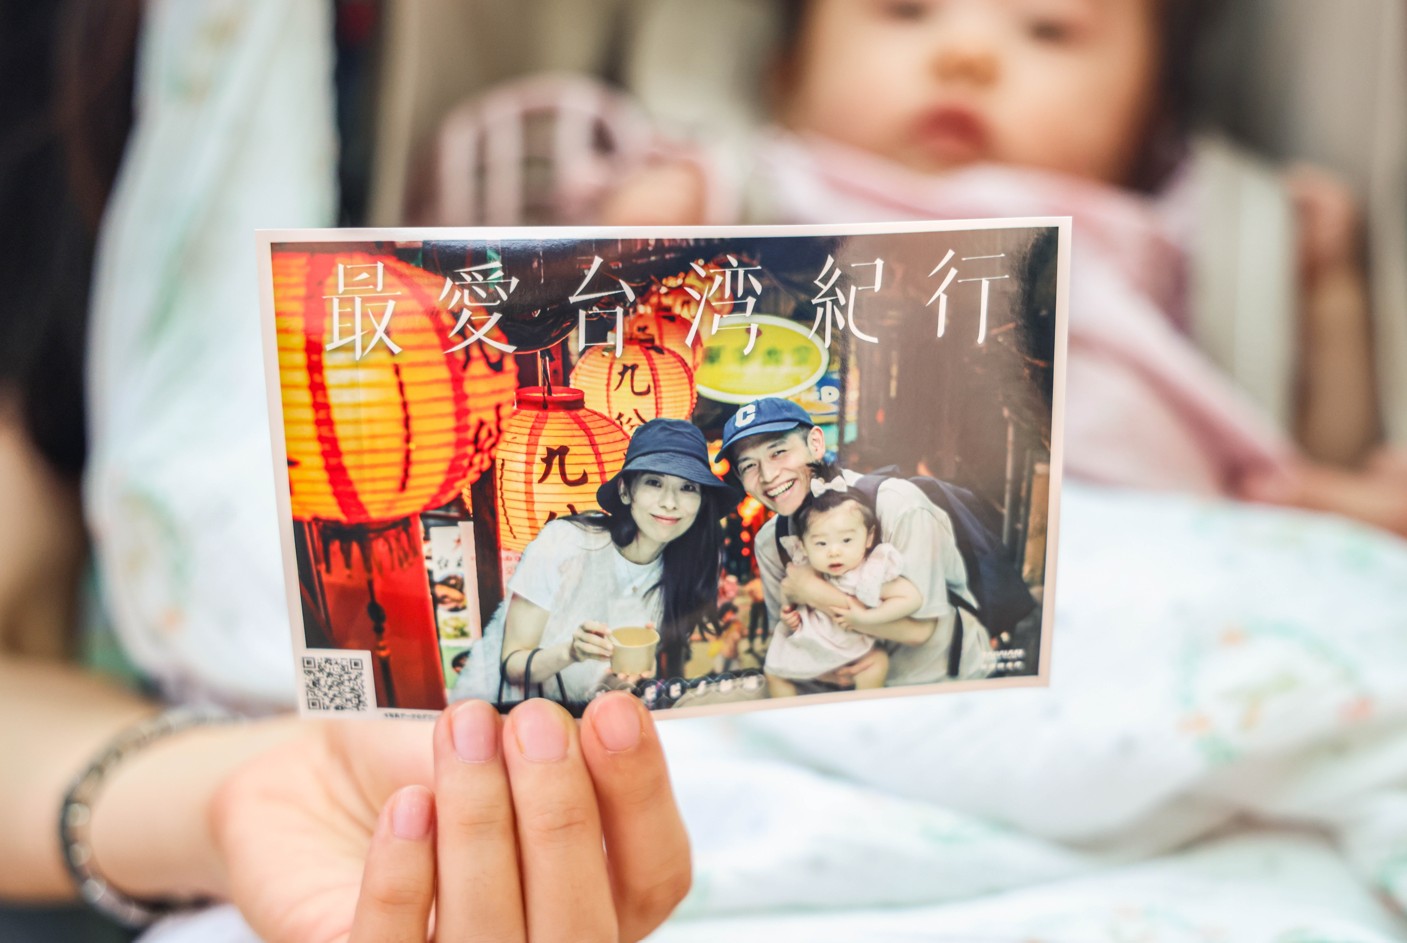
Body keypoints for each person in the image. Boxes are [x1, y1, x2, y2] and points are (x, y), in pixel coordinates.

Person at [600, 0, 1407, 537]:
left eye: (1048, 29)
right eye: (905, 10)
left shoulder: (1178, 230)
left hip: (1158, 542)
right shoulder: (755, 186)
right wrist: (653, 222)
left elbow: (1307, 452)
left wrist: (1325, 293)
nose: (967, 53)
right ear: (784, 71)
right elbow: (602, 320)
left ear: (1151, 111)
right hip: (863, 528)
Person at [452, 418, 739, 709]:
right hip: (502, 714)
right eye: (654, 482)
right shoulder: (565, 542)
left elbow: (602, 683)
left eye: (687, 487)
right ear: (625, 490)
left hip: (589, 719)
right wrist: (571, 652)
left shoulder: (681, 570)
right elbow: (512, 666)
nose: (670, 502)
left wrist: (622, 680)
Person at [720, 398, 993, 688]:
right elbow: (791, 635)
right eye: (749, 466)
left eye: (778, 452)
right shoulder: (770, 541)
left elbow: (920, 632)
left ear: (815, 443)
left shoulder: (899, 506)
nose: (767, 475)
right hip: (849, 690)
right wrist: (821, 672)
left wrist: (815, 592)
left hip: (938, 682)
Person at [764, 469, 921, 697]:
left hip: (851, 650)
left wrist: (867, 618)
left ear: (869, 537)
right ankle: (786, 713)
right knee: (775, 673)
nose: (834, 552)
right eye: (821, 544)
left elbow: (911, 598)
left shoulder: (868, 574)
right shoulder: (806, 570)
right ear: (803, 546)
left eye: (846, 540)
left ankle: (865, 709)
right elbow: (788, 592)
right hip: (810, 647)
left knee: (877, 662)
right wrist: (787, 611)